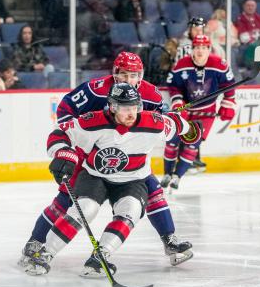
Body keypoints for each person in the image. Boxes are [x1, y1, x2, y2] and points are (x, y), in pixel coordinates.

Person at [18, 52, 195, 275]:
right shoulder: (95, 89)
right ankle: (35, 243)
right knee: (68, 199)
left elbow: (161, 123)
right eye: (124, 75)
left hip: (130, 155)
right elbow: (65, 113)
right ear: (115, 73)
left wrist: (176, 122)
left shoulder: (151, 93)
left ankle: (169, 239)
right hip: (89, 151)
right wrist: (69, 151)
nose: (129, 80)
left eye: (134, 75)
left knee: (151, 191)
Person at [161, 35, 236, 190]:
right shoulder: (182, 64)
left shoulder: (219, 64)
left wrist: (228, 104)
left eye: (204, 47)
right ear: (192, 49)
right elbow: (172, 84)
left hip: (206, 111)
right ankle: (167, 173)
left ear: (209, 49)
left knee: (192, 144)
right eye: (197, 47)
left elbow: (229, 84)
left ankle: (177, 177)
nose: (200, 51)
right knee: (172, 140)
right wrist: (178, 101)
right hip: (186, 109)